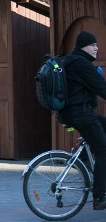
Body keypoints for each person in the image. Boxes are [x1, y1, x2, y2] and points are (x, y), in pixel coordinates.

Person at [57, 31, 106, 211]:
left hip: (72, 113)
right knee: (104, 151)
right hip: (80, 114)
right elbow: (101, 88)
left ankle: (85, 161)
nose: (96, 48)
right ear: (84, 46)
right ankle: (100, 197)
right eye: (93, 45)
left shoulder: (70, 60)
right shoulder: (81, 64)